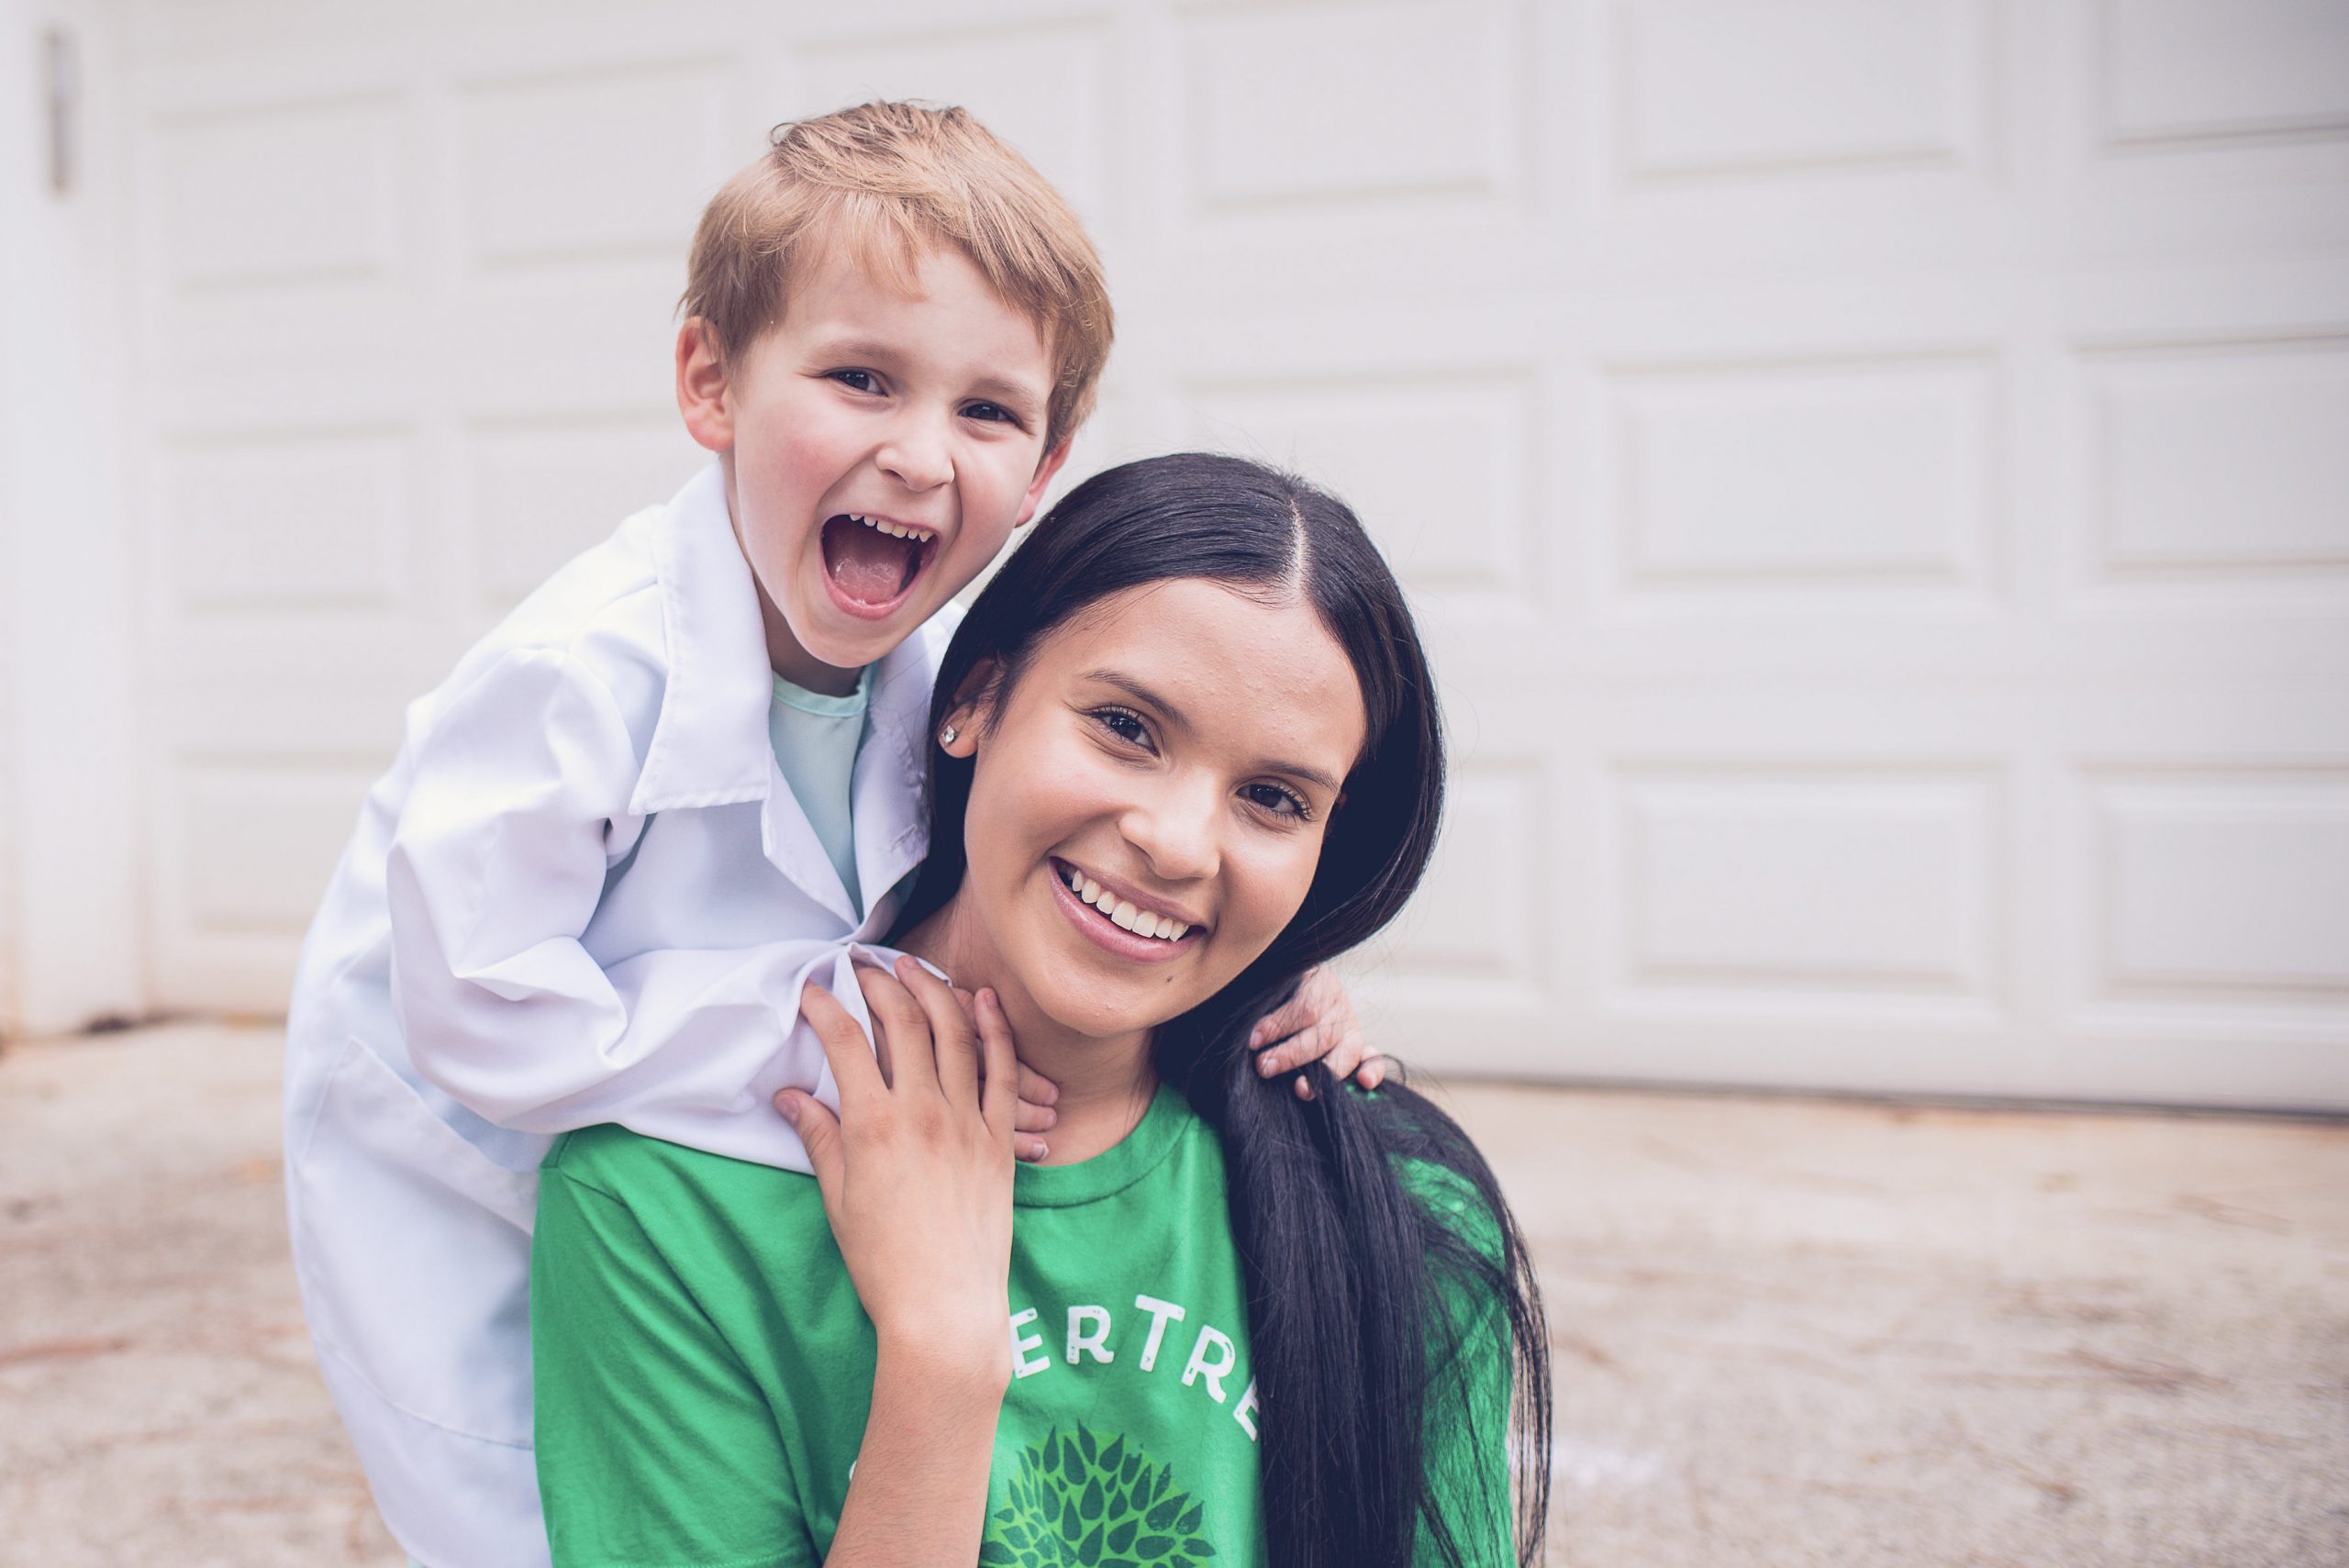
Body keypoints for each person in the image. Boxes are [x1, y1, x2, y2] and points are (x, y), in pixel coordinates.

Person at [282, 106, 1368, 1568]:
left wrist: (1261, 980)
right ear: (710, 381)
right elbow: (478, 1012)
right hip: (455, 1151)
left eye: (988, 412)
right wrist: (837, 1026)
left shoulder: (946, 663)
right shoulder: (575, 677)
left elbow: (1106, 861)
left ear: (1045, 466)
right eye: (863, 379)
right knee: (517, 1510)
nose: (921, 456)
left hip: (698, 1114)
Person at [531, 453, 1555, 1568]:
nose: (1176, 840)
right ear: (973, 698)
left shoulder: (1397, 1207)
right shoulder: (665, 1200)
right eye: (1125, 724)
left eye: (1272, 798)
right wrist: (939, 1358)